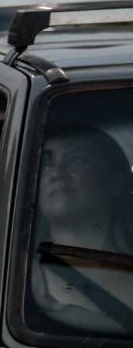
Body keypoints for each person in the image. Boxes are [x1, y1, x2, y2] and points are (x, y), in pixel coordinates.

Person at [30, 123, 133, 335]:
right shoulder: (16, 277)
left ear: (116, 181)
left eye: (77, 159)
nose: (57, 172)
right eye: (47, 162)